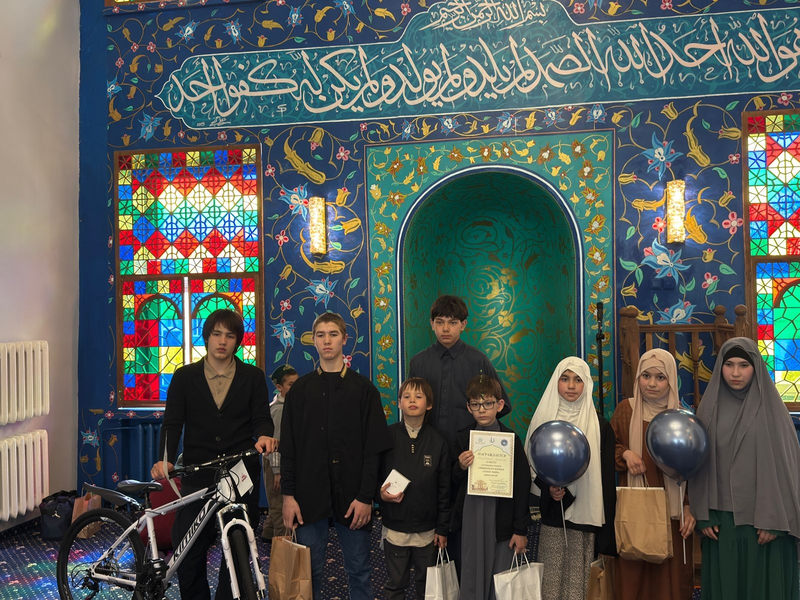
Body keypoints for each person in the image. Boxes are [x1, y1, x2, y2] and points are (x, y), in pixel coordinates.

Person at [150, 309, 276, 600]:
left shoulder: (252, 377)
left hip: (240, 473)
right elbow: (172, 423)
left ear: (237, 342)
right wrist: (166, 458)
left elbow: (261, 418)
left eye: (229, 336)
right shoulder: (185, 376)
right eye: (216, 334)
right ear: (206, 338)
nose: (222, 341)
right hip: (198, 471)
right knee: (190, 547)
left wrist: (264, 435)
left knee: (239, 546)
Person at [280, 312, 391, 600]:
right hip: (308, 497)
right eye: (320, 335)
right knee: (308, 574)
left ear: (344, 339)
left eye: (333, 334)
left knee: (360, 571)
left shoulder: (364, 390)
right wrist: (288, 497)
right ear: (313, 341)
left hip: (354, 498)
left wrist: (366, 497)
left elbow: (374, 450)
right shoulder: (299, 391)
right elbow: (289, 449)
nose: (327, 340)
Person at [689, 337, 800, 599]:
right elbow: (698, 466)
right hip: (721, 524)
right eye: (729, 365)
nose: (736, 373)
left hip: (765, 523)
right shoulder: (708, 411)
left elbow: (788, 469)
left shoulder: (773, 412)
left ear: (756, 368)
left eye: (743, 365)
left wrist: (775, 520)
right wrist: (703, 514)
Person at [524, 357, 616, 600]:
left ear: (587, 384)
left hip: (586, 514)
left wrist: (608, 532)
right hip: (553, 512)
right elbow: (531, 463)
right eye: (565, 379)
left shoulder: (600, 426)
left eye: (578, 380)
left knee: (579, 582)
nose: (571, 386)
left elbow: (606, 480)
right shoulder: (543, 419)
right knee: (551, 580)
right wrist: (549, 487)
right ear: (556, 382)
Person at [610, 348, 695, 600]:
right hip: (635, 509)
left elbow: (695, 467)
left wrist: (689, 506)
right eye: (646, 376)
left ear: (671, 381)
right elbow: (607, 448)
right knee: (633, 576)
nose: (652, 384)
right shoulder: (626, 410)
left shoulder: (682, 419)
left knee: (670, 581)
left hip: (673, 512)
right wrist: (625, 454)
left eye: (660, 377)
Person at [451, 374, 530, 600]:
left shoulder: (511, 440)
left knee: (500, 581)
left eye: (488, 403)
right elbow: (450, 481)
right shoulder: (462, 439)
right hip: (471, 516)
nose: (482, 410)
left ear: (500, 405)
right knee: (471, 573)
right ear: (469, 407)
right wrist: (460, 466)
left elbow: (522, 487)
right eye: (476, 405)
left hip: (501, 519)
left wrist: (520, 529)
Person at [378, 377, 451, 600]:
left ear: (429, 404)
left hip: (427, 531)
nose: (412, 401)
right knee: (395, 583)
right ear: (399, 402)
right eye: (406, 396)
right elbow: (374, 476)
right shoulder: (386, 437)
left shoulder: (438, 441)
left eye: (418, 396)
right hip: (395, 526)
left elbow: (444, 489)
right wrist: (379, 495)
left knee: (427, 586)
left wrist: (442, 528)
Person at [408, 295, 511, 446]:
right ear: (432, 324)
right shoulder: (418, 362)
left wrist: (479, 430)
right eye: (439, 322)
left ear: (463, 325)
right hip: (427, 445)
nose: (445, 328)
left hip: (469, 446)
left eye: (453, 322)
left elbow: (503, 405)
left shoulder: (479, 361)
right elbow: (409, 405)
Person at [261, 364, 298, 541]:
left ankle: (267, 534)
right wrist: (277, 472)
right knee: (278, 505)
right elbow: (275, 443)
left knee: (276, 499)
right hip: (276, 463)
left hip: (284, 461)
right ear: (279, 387)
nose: (295, 387)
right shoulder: (279, 409)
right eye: (291, 384)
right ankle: (282, 544)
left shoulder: (291, 405)